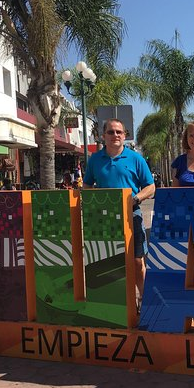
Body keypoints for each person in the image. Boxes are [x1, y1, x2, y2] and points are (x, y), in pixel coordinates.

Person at [83, 118, 155, 303]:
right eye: (111, 132)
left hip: (132, 217)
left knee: (138, 262)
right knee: (109, 262)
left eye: (119, 132)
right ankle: (116, 305)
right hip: (104, 218)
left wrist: (136, 198)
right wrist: (94, 202)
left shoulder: (136, 158)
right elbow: (87, 185)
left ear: (124, 136)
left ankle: (145, 303)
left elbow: (151, 186)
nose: (115, 135)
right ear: (102, 136)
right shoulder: (95, 160)